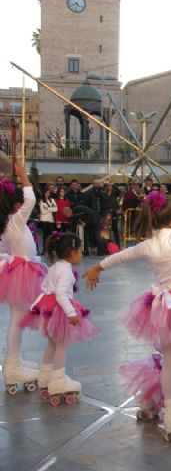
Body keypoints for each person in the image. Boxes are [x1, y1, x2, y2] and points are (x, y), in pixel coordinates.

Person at [83, 172, 171, 449]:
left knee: (170, 362)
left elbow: (121, 256)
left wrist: (97, 268)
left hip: (162, 308)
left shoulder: (149, 245)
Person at [18, 232, 97, 404]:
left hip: (48, 310)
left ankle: (45, 378)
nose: (82, 255)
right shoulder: (67, 273)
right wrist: (71, 314)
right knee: (62, 345)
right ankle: (58, 381)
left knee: (52, 345)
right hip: (60, 311)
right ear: (72, 252)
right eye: (81, 251)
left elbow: (45, 287)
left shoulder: (53, 267)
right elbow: (61, 294)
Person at [0, 163, 48, 394]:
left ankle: (14, 361)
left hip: (17, 272)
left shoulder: (6, 223)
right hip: (22, 273)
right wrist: (23, 177)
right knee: (18, 320)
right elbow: (31, 200)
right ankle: (12, 366)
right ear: (15, 206)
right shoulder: (15, 221)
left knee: (17, 318)